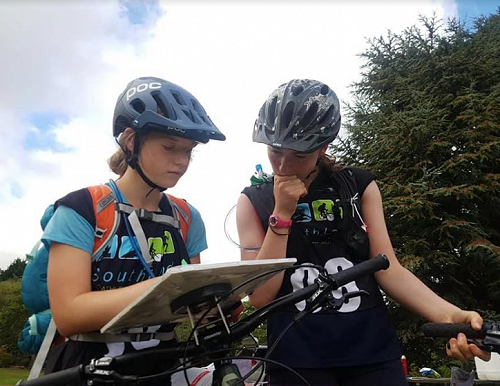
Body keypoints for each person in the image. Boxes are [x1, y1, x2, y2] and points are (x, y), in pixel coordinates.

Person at [236, 79, 491, 386]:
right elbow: (261, 296)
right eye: (275, 151)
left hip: (371, 353)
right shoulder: (253, 200)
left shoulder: (358, 185)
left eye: (299, 155)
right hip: (295, 358)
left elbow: (388, 267)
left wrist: (450, 317)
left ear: (323, 147)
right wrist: (282, 214)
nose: (283, 165)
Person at [42, 76, 225, 385]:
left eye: (189, 151)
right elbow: (69, 314)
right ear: (131, 141)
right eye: (170, 147)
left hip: (162, 363)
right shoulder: (82, 208)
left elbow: (185, 306)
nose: (181, 162)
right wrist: (167, 286)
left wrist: (216, 303)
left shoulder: (186, 217)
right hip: (92, 365)